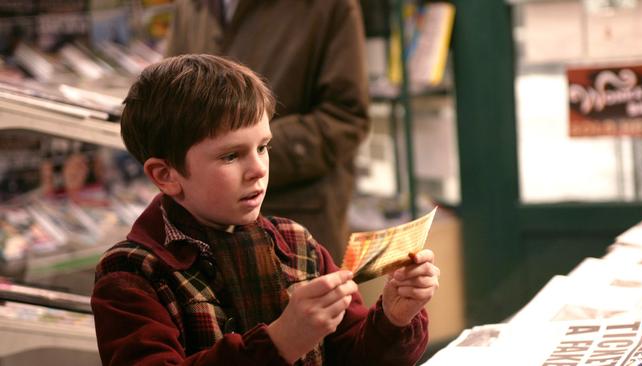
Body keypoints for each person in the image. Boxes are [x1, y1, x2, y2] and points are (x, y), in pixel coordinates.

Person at [91, 54, 440, 365]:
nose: (258, 168)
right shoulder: (132, 275)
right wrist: (281, 341)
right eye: (231, 155)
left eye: (263, 147)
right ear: (165, 175)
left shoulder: (297, 244)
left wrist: (394, 318)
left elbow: (354, 354)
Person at [165, 0, 370, 263]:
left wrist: (243, 151)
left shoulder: (328, 6)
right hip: (200, 227)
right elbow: (170, 98)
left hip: (294, 221)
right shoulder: (190, 6)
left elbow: (345, 117)